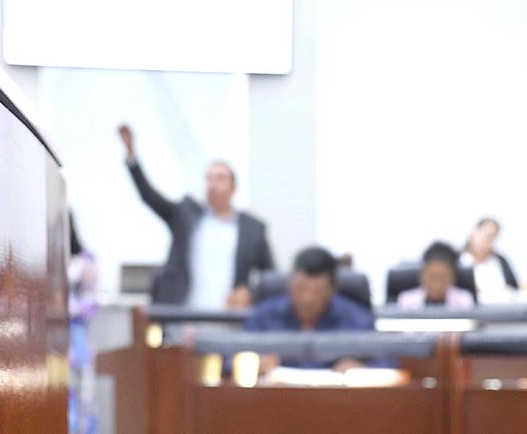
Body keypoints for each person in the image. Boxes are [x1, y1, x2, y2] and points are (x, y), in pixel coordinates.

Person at [118, 124, 274, 309]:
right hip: (183, 315)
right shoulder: (185, 216)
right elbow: (149, 196)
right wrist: (131, 154)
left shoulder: (252, 229)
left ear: (233, 187)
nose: (213, 184)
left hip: (229, 318)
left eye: (220, 178)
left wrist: (250, 294)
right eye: (209, 179)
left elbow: (270, 276)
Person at [244, 246, 377, 372]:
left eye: (317, 291)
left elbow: (384, 361)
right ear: (289, 282)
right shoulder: (264, 315)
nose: (307, 299)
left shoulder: (357, 319)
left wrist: (362, 369)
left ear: (332, 289)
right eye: (300, 288)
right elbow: (236, 356)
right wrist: (255, 364)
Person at [67, 214, 100, 434]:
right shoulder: (41, 255)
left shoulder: (85, 261)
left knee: (81, 402)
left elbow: (92, 302)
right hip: (48, 340)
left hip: (76, 341)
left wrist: (69, 308)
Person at [398, 241, 475, 310]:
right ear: (422, 276)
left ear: (452, 278)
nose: (437, 284)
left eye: (442, 278)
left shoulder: (464, 301)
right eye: (432, 277)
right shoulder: (406, 301)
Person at [460, 217, 518, 303]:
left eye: (493, 237)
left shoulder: (500, 261)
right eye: (486, 235)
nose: (487, 241)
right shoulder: (458, 261)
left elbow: (514, 287)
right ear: (474, 233)